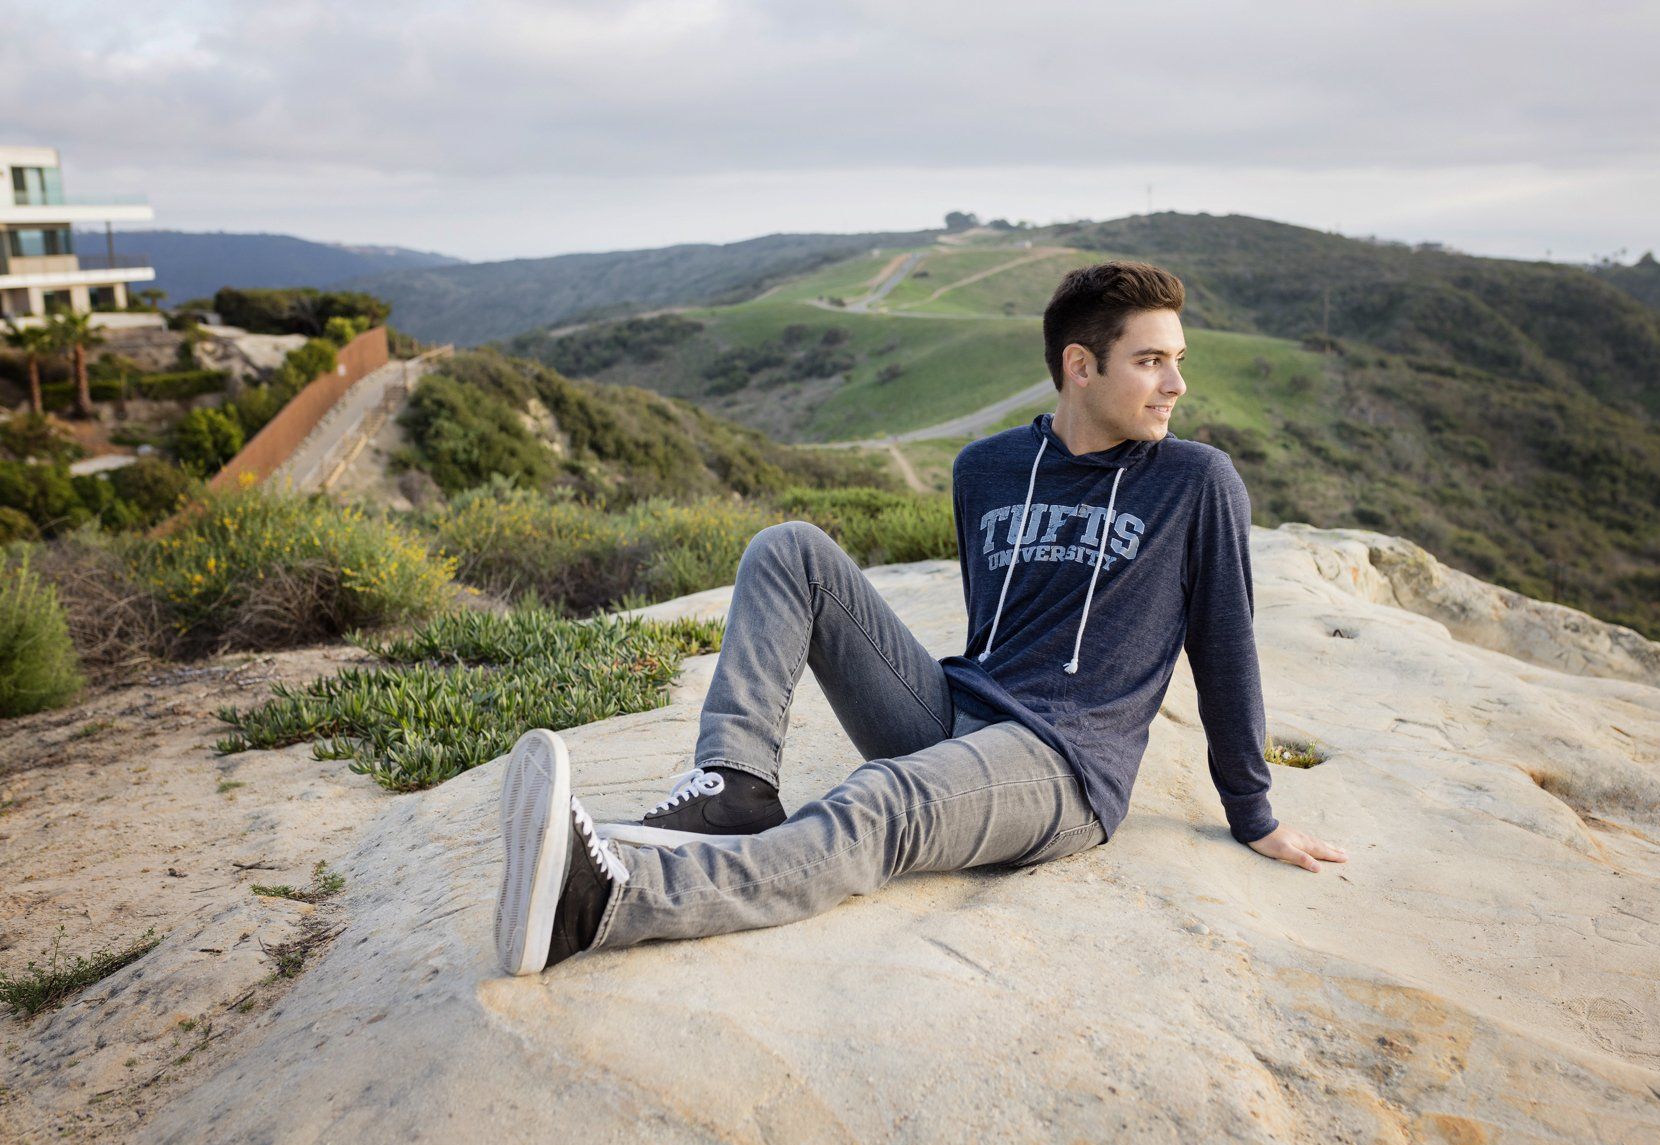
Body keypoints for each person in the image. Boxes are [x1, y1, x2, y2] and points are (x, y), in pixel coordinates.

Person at [494, 259, 1348, 977]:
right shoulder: (988, 467)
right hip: (955, 710)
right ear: (1081, 366)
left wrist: (1254, 810)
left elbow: (1226, 647)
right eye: (1152, 361)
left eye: (1178, 359)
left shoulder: (1195, 482)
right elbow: (999, 629)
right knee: (790, 548)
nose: (1177, 383)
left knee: (879, 801)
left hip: (1063, 762)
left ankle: (605, 905)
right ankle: (734, 788)